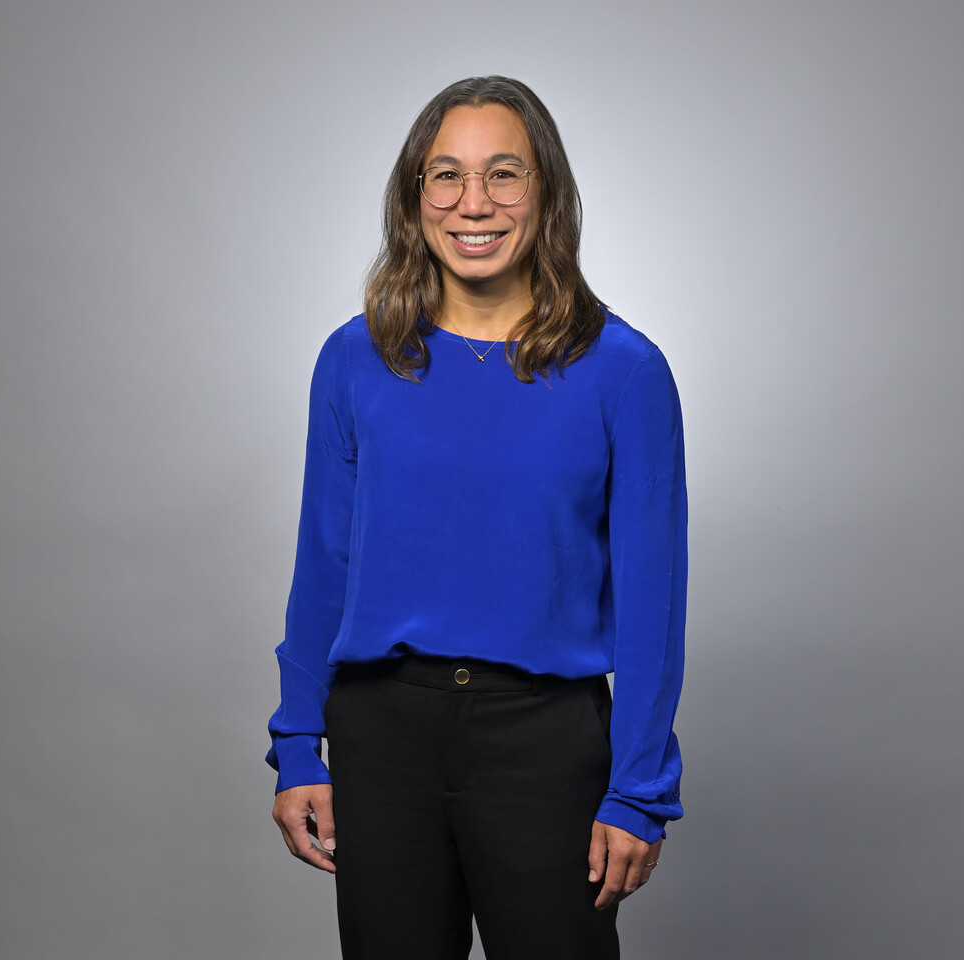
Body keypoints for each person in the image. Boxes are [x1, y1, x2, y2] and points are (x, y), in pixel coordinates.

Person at [267, 75, 687, 960]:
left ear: (547, 194)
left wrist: (638, 789)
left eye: (505, 174)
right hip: (381, 734)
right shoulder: (354, 360)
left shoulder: (624, 371)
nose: (474, 203)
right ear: (414, 197)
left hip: (545, 740)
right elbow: (324, 566)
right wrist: (300, 742)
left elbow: (654, 602)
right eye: (445, 175)